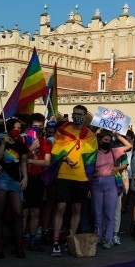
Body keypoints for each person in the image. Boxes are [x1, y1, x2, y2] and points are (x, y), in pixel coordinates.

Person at [49, 106, 98, 256]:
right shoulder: (63, 131)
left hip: (81, 177)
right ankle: (56, 242)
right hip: (64, 175)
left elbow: (92, 159)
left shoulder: (90, 136)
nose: (77, 117)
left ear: (85, 117)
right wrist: (64, 157)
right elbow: (55, 152)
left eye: (80, 115)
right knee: (61, 207)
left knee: (77, 208)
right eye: (75, 114)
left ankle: (70, 239)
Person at [0, 117, 30, 258]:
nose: (18, 130)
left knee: (17, 213)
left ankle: (19, 244)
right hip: (1, 177)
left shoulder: (21, 145)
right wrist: (2, 143)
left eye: (20, 128)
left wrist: (25, 177)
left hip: (15, 180)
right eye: (15, 128)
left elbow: (23, 163)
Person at [92, 130, 132, 248]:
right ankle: (98, 237)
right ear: (99, 140)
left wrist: (117, 136)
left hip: (111, 183)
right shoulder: (94, 152)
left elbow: (129, 146)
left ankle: (108, 239)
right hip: (96, 183)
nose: (108, 142)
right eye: (105, 140)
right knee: (98, 212)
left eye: (109, 141)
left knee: (110, 212)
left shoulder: (114, 151)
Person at [23, 113, 51, 250]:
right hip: (23, 178)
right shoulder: (22, 140)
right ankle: (20, 238)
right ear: (29, 126)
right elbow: (19, 158)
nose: (37, 129)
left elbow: (46, 162)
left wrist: (30, 160)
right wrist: (30, 150)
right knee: (23, 212)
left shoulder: (45, 142)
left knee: (35, 211)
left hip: (37, 179)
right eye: (35, 126)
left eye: (40, 126)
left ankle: (33, 239)